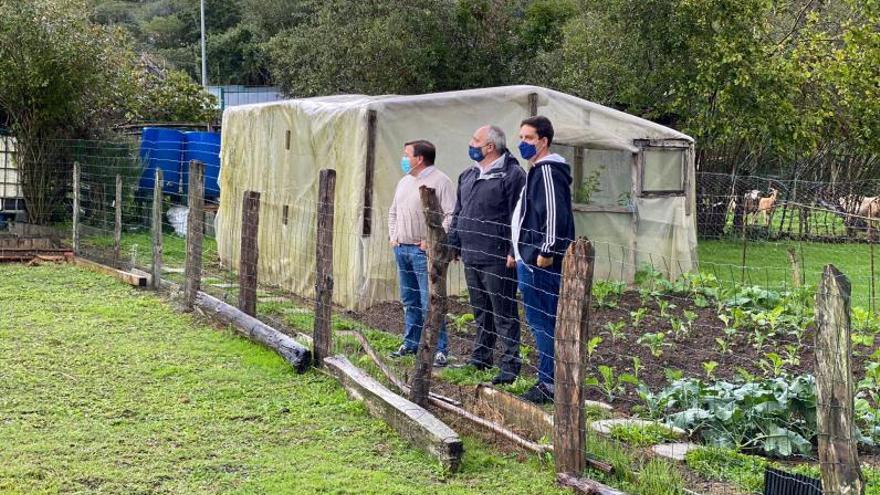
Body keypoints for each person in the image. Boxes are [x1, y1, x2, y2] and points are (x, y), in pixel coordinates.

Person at [448, 125, 526, 385]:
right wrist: (454, 243)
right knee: (481, 309)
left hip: (498, 256)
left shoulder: (513, 175)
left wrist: (514, 251)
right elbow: (459, 211)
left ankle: (511, 364)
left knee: (503, 311)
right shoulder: (468, 175)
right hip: (471, 252)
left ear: (490, 146)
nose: (471, 144)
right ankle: (481, 357)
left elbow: (519, 216)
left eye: (475, 140)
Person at [508, 116, 574, 403]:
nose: (522, 143)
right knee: (538, 319)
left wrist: (546, 251)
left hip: (540, 262)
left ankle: (549, 382)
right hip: (527, 258)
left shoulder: (548, 170)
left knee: (543, 320)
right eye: (521, 138)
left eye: (528, 139)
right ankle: (548, 378)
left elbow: (554, 213)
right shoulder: (536, 170)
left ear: (543, 141)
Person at [388, 139, 455, 367]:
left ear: (419, 158)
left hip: (422, 251)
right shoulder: (405, 182)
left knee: (430, 300)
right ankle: (411, 343)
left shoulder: (440, 181)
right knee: (410, 300)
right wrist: (394, 236)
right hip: (402, 248)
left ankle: (438, 348)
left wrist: (432, 240)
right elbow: (393, 212)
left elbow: (450, 215)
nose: (404, 159)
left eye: (407, 155)